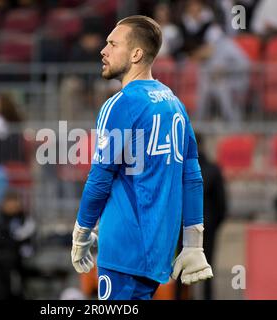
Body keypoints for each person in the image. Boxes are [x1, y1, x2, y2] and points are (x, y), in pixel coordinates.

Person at [71, 15, 213, 301]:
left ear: (136, 54)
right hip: (158, 249)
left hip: (123, 248)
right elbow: (192, 177)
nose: (103, 50)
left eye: (112, 43)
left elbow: (100, 178)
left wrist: (82, 231)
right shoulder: (174, 102)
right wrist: (193, 243)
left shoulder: (121, 104)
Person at [195, 133, 227, 300]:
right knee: (207, 267)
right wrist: (214, 224)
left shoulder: (179, 169)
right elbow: (222, 203)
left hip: (184, 226)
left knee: (180, 269)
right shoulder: (214, 170)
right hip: (207, 226)